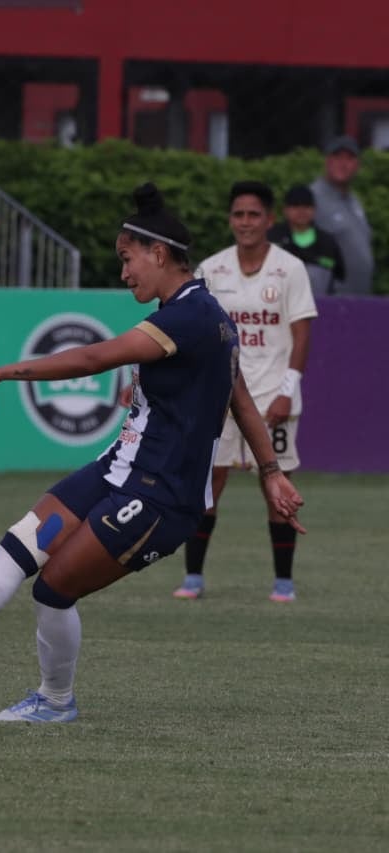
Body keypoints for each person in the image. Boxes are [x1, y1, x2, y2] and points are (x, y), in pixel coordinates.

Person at [0, 184, 305, 722]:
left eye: (127, 260)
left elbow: (96, 357)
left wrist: (3, 372)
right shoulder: (206, 314)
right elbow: (242, 402)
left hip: (161, 497)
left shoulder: (191, 317)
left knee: (54, 588)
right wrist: (270, 473)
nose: (124, 273)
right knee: (17, 548)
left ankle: (56, 701)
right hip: (119, 469)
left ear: (158, 254)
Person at [173, 181, 318, 603]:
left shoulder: (289, 268)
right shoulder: (211, 269)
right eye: (238, 214)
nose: (246, 222)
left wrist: (287, 391)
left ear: (269, 220)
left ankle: (283, 583)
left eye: (254, 214)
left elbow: (301, 332)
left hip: (272, 396)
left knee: (277, 486)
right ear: (230, 220)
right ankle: (193, 578)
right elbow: (189, 327)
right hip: (218, 398)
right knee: (208, 483)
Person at [310, 135, 374, 296]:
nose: (343, 164)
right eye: (337, 157)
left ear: (357, 165)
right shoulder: (312, 198)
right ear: (327, 161)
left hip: (357, 301)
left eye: (350, 158)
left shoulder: (354, 201)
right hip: (329, 302)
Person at [267, 184, 345, 299]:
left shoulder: (328, 241)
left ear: (314, 209)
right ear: (285, 210)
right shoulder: (271, 237)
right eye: (295, 206)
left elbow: (339, 278)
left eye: (306, 206)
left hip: (321, 306)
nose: (301, 211)